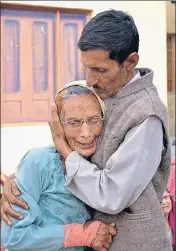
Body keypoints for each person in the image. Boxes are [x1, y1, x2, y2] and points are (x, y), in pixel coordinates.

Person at [1, 10, 172, 251]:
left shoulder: (146, 114)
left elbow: (112, 195)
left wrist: (61, 149)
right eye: (86, 67)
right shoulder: (104, 91)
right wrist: (25, 179)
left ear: (130, 62)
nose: (89, 80)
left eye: (99, 70)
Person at [1, 84, 116, 251]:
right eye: (73, 123)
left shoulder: (104, 161)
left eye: (93, 120)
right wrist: (80, 234)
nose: (86, 132)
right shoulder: (40, 162)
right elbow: (12, 236)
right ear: (58, 126)